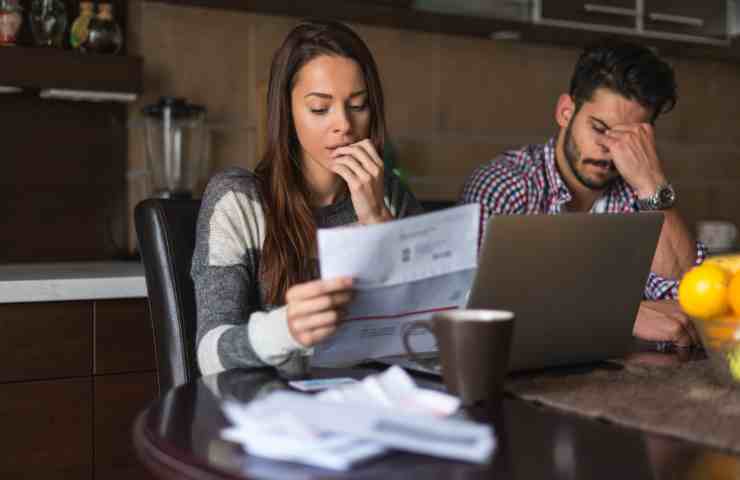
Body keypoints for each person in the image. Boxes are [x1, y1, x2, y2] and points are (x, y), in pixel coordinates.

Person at [192, 20, 422, 377]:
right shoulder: (239, 200)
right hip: (270, 411)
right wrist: (286, 330)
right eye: (319, 108)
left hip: (373, 403)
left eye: (358, 106)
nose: (343, 124)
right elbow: (210, 354)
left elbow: (429, 335)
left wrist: (377, 218)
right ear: (287, 112)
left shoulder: (390, 196)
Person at [460, 39, 705, 348]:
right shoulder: (505, 185)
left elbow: (694, 302)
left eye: (628, 138)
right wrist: (621, 315)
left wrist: (652, 183)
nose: (609, 149)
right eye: (600, 128)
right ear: (566, 111)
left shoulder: (638, 194)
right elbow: (478, 315)